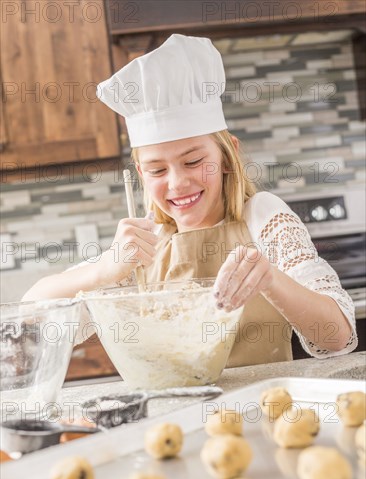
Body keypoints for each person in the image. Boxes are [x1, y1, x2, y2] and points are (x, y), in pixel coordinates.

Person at [22, 34, 357, 365]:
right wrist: (105, 269)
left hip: (260, 413)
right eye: (156, 170)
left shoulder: (262, 217)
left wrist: (269, 279)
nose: (178, 183)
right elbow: (30, 316)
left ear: (228, 156)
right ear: (140, 173)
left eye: (194, 162)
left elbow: (337, 338)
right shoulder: (141, 246)